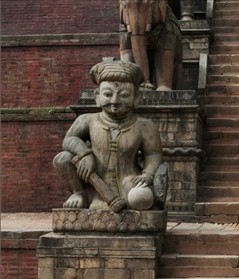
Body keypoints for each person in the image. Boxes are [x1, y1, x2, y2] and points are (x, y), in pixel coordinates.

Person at [53, 59, 164, 212]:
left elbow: (153, 154)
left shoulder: (145, 126)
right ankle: (79, 193)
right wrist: (85, 154)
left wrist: (148, 175)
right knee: (62, 158)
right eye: (107, 94)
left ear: (136, 97)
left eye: (124, 95)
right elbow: (69, 140)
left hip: (128, 181)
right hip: (92, 181)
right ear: (97, 96)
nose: (115, 101)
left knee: (140, 198)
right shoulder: (88, 120)